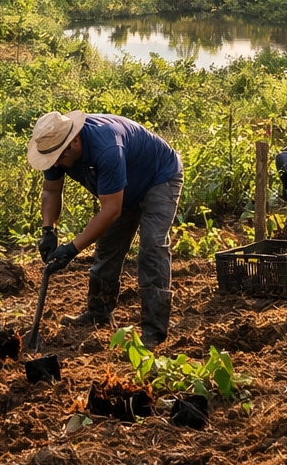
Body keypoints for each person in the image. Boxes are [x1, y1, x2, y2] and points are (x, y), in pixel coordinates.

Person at [29, 110, 183, 349]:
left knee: (152, 246)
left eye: (59, 158)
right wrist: (48, 230)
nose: (55, 165)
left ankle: (154, 330)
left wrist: (71, 249)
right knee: (107, 247)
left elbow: (111, 210)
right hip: (122, 188)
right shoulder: (56, 146)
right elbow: (51, 191)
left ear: (76, 142)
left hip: (159, 176)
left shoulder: (106, 147)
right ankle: (98, 312)